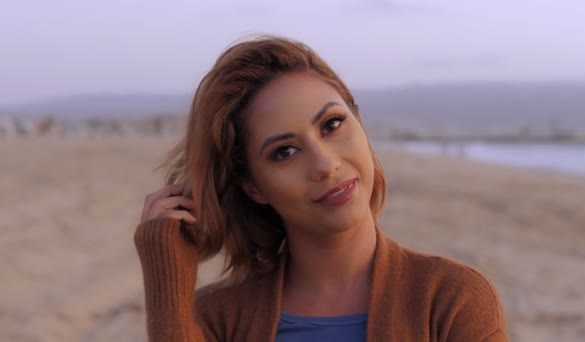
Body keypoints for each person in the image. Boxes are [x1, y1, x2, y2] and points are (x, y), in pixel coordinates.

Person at [134, 35, 508, 341]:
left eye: (331, 124)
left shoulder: (452, 299)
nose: (325, 163)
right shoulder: (217, 319)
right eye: (285, 151)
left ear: (359, 123)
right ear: (253, 186)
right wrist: (165, 273)